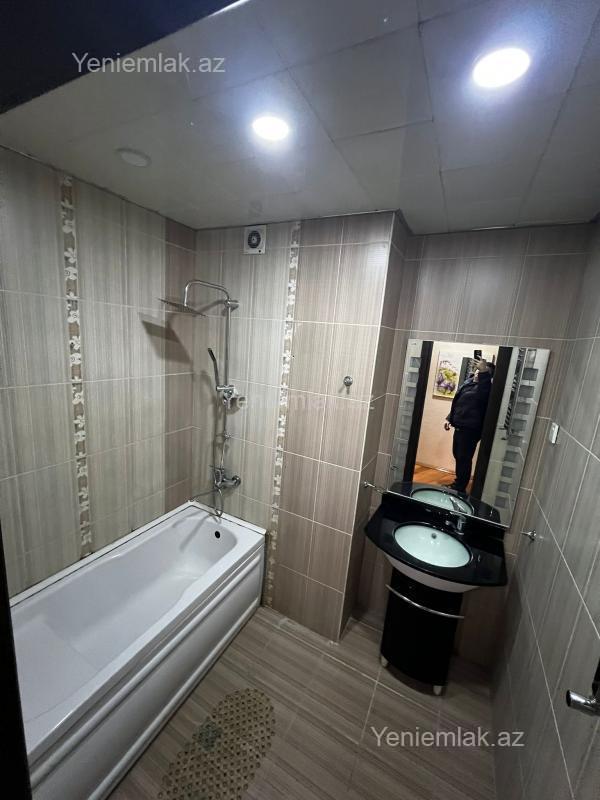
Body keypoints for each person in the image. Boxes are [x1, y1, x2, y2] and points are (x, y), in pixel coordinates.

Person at [443, 359, 494, 493]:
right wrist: (449, 418)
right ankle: (458, 483)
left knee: (464, 458)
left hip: (470, 430)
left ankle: (460, 487)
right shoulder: (469, 383)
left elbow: (483, 393)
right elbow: (460, 403)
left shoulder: (485, 389)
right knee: (458, 455)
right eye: (477, 370)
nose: (477, 372)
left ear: (487, 376)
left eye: (481, 371)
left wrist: (483, 372)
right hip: (459, 426)